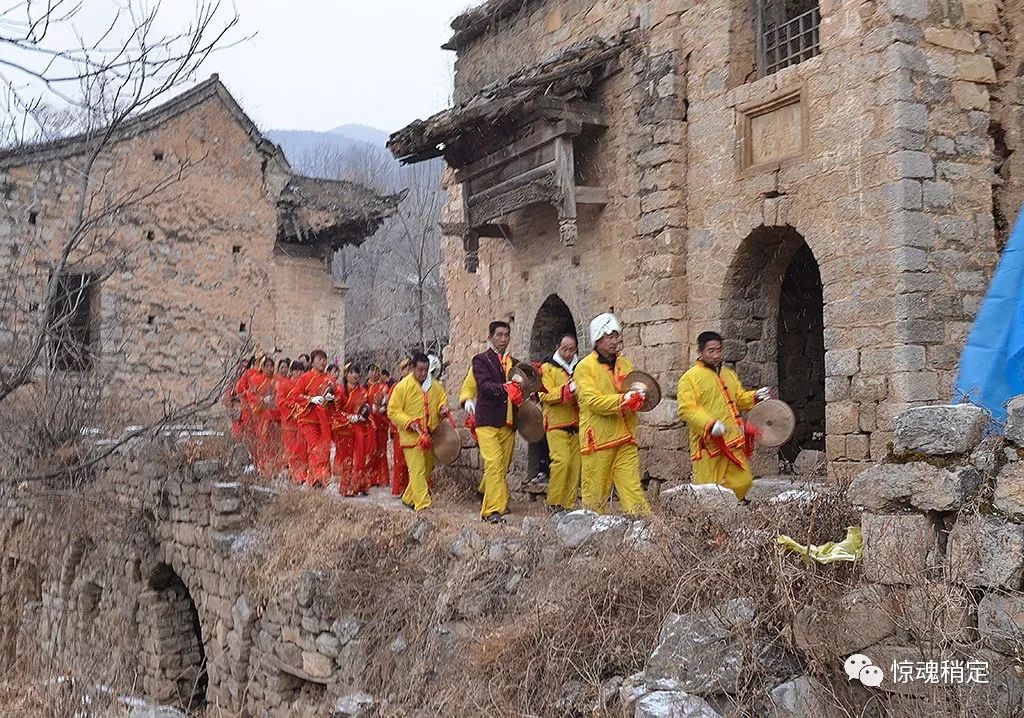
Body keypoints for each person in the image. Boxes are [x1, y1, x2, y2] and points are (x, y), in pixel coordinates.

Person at [676, 331, 772, 501]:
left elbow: (739, 399)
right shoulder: (689, 378)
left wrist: (755, 396)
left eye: (718, 350)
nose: (715, 355)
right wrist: (709, 424)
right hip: (707, 444)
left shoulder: (728, 374)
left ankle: (729, 511)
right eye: (710, 351)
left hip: (732, 439)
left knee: (744, 481)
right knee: (708, 490)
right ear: (700, 351)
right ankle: (708, 522)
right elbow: (687, 409)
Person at [575, 313, 650, 517]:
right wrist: (624, 400)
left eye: (616, 336)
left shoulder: (625, 365)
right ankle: (589, 535)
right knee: (595, 494)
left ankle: (644, 529)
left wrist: (639, 397)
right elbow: (593, 401)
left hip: (625, 438)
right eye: (610, 337)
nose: (615, 341)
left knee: (632, 488)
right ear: (597, 339)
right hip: (598, 440)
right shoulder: (584, 368)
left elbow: (633, 390)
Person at [472, 320, 523, 523]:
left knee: (502, 466)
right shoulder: (481, 360)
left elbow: (525, 387)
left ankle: (499, 504)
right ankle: (490, 511)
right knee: (493, 463)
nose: (503, 339)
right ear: (490, 337)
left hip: (508, 422)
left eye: (506, 335)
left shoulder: (514, 363)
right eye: (499, 335)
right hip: (487, 420)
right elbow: (484, 386)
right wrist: (506, 387)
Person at [387, 352, 449, 511]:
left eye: (426, 370)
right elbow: (393, 411)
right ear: (412, 368)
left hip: (429, 435)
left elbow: (442, 398)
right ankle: (423, 505)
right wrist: (409, 422)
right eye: (420, 370)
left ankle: (408, 497)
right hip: (411, 437)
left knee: (428, 467)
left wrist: (442, 407)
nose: (423, 374)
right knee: (417, 470)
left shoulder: (433, 385)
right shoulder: (402, 386)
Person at [539, 334, 581, 513]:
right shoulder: (547, 368)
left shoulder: (581, 368)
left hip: (577, 424)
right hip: (556, 423)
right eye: (564, 349)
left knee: (575, 466)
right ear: (557, 347)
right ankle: (554, 502)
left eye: (572, 349)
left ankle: (569, 504)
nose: (568, 353)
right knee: (561, 462)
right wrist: (567, 390)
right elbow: (544, 395)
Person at [289, 350, 333, 487]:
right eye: (320, 359)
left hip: (324, 420)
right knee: (314, 447)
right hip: (308, 419)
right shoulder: (305, 378)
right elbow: (296, 395)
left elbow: (336, 397)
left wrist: (332, 399)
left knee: (324, 448)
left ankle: (316, 479)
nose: (323, 362)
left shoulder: (329, 379)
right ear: (312, 361)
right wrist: (311, 399)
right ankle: (317, 479)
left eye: (324, 359)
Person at [335, 363, 371, 496]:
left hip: (360, 429)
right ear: (346, 374)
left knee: (361, 457)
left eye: (356, 372)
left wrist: (363, 416)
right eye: (351, 372)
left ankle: (359, 486)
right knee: (348, 459)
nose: (355, 375)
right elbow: (336, 412)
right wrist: (350, 417)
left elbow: (367, 409)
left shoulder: (363, 391)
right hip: (345, 429)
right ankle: (346, 487)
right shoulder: (340, 391)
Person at [277, 359, 307, 483]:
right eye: (296, 370)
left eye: (301, 370)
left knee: (302, 449)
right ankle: (295, 474)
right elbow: (280, 401)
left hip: (303, 422)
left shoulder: (305, 386)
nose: (298, 373)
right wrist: (293, 406)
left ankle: (302, 474)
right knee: (291, 449)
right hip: (289, 423)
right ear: (292, 371)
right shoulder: (284, 384)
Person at [389, 357, 413, 496]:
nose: (408, 371)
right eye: (406, 368)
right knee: (400, 460)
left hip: (415, 427)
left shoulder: (418, 385)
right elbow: (392, 409)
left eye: (410, 368)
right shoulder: (396, 387)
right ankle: (399, 488)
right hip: (400, 428)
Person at [366, 364, 391, 488]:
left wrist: (384, 408)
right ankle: (370, 478)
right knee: (371, 449)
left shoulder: (384, 387)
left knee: (382, 450)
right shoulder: (364, 388)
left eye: (377, 371)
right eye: (372, 371)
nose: (375, 373)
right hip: (369, 424)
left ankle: (382, 478)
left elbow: (389, 403)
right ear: (368, 373)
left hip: (381, 423)